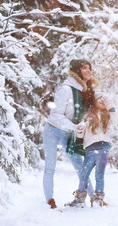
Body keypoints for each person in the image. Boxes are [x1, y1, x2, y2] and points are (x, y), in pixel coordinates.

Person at [43, 59, 99, 209]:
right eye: (85, 68)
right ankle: (50, 201)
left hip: (68, 133)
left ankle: (94, 198)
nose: (89, 71)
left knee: (81, 167)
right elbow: (55, 115)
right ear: (77, 71)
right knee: (50, 167)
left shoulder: (85, 90)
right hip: (52, 130)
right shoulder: (66, 89)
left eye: (90, 68)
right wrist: (74, 126)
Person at [75, 95, 118, 207]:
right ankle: (79, 200)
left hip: (103, 149)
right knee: (84, 175)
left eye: (104, 101)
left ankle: (98, 198)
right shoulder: (87, 116)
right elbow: (79, 134)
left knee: (99, 175)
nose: (102, 101)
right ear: (94, 102)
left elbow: (116, 120)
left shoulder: (107, 116)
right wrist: (79, 130)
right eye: (99, 99)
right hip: (90, 149)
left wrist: (111, 106)